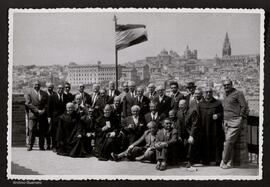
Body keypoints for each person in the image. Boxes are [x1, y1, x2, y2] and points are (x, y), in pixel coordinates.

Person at [220, 79, 248, 169]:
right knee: (230, 143)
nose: (226, 86)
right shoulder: (225, 94)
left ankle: (223, 161)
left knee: (228, 142)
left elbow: (244, 106)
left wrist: (240, 118)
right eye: (224, 85)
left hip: (235, 121)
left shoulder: (238, 93)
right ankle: (230, 162)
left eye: (228, 85)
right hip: (226, 121)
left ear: (232, 85)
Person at [198, 87, 224, 165]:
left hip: (215, 128)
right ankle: (205, 160)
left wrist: (218, 115)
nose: (208, 94)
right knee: (204, 143)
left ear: (212, 93)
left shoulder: (218, 103)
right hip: (204, 128)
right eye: (206, 92)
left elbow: (222, 113)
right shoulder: (200, 104)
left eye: (210, 92)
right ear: (204, 93)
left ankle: (217, 160)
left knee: (216, 143)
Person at [25, 81, 48, 151]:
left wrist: (43, 110)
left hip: (42, 114)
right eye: (35, 84)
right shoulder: (29, 93)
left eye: (38, 85)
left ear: (40, 85)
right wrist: (37, 110)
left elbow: (47, 104)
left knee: (42, 130)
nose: (37, 86)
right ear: (33, 85)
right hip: (33, 114)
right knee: (32, 130)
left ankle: (41, 146)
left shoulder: (44, 93)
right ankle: (30, 145)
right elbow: (28, 103)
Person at [176, 99, 200, 168]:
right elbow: (179, 125)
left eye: (182, 105)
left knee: (190, 144)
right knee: (181, 144)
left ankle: (190, 161)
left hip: (192, 132)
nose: (180, 106)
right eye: (179, 105)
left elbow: (194, 125)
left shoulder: (192, 112)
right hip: (183, 133)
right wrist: (179, 135)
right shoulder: (179, 113)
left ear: (186, 105)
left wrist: (191, 136)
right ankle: (183, 159)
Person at [47, 84, 68, 152]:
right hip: (55, 117)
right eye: (59, 88)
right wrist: (49, 117)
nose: (60, 90)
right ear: (57, 89)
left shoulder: (66, 96)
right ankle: (54, 146)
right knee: (54, 132)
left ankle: (61, 146)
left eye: (62, 88)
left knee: (62, 132)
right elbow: (49, 108)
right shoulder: (52, 97)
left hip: (63, 117)